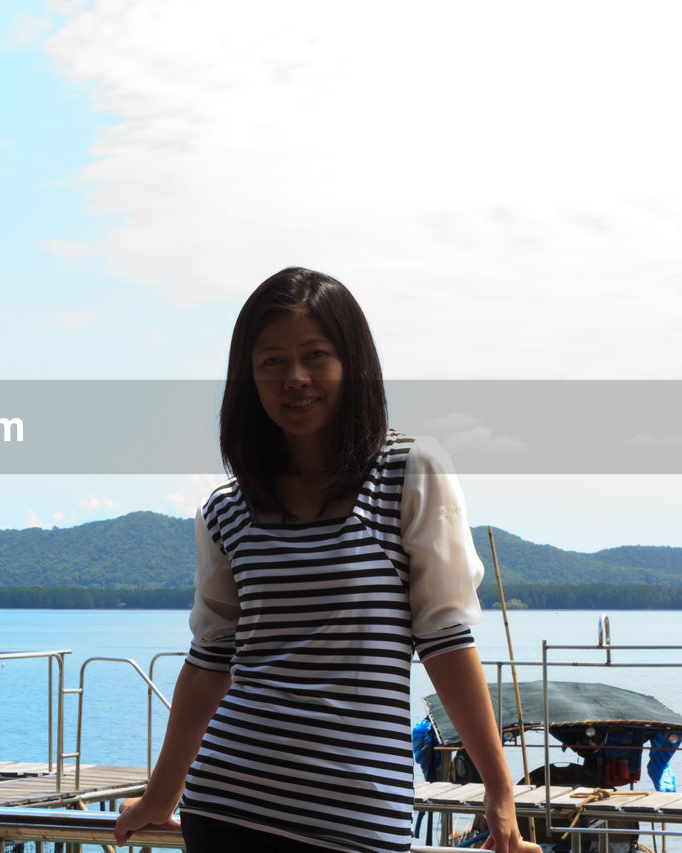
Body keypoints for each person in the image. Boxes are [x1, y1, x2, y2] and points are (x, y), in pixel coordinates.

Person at [114, 268, 535, 852]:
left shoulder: (407, 473)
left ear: (352, 363)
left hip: (356, 820)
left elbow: (444, 638)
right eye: (272, 362)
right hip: (227, 808)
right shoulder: (228, 510)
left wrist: (498, 789)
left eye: (316, 355)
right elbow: (209, 662)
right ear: (248, 377)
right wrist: (162, 796)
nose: (296, 379)